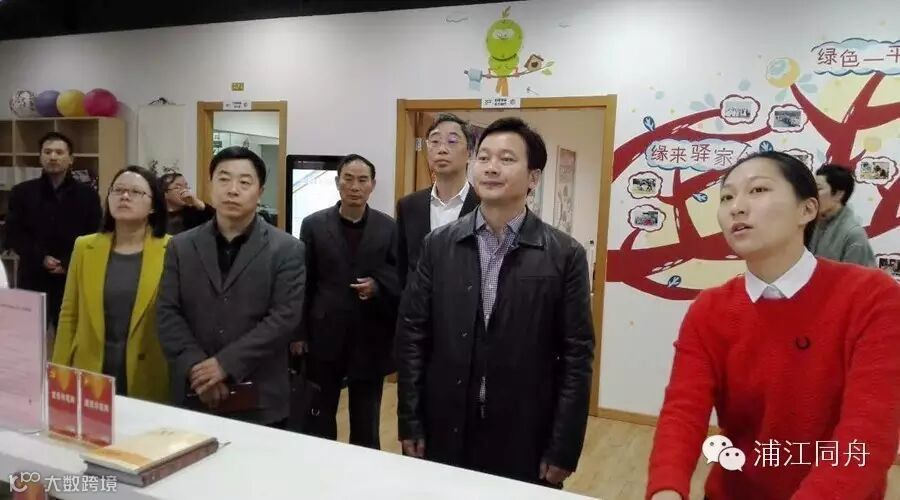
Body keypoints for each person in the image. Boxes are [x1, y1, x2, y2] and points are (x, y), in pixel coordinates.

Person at [647, 151, 900, 500]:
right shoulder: (709, 309)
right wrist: (665, 490)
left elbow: (868, 432)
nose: (737, 207)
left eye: (758, 190)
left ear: (807, 210)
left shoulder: (873, 296)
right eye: (727, 197)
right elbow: (683, 411)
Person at [396, 117, 595, 487]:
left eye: (506, 159)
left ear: (533, 178)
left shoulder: (564, 255)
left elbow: (576, 356)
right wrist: (410, 421)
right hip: (447, 423)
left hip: (525, 431)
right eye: (484, 157)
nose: (490, 167)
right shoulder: (438, 245)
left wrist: (563, 446)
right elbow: (413, 337)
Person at [157, 146, 305, 427]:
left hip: (260, 397)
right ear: (210, 186)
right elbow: (168, 312)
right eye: (223, 179)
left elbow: (284, 318)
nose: (232, 190)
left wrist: (225, 365)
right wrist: (198, 369)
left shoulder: (287, 249)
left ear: (260, 192)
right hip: (193, 392)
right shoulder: (181, 246)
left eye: (244, 182)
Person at [293, 154, 399, 449]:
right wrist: (298, 333)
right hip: (324, 335)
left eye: (362, 180)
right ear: (337, 182)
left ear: (372, 185)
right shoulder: (313, 225)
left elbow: (399, 276)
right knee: (320, 416)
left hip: (370, 336)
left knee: (367, 421)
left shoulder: (389, 227)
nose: (355, 186)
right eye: (348, 179)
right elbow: (304, 281)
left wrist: (378, 286)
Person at [51, 166, 170, 401]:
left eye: (135, 192)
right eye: (118, 190)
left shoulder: (173, 249)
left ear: (154, 205)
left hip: (149, 372)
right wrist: (59, 372)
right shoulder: (85, 247)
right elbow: (69, 314)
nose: (124, 196)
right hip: (91, 369)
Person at [5, 131, 102, 329]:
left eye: (59, 152)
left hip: (72, 275)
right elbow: (14, 233)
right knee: (28, 334)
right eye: (47, 152)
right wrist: (41, 258)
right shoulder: (22, 192)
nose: (53, 157)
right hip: (32, 274)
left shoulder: (87, 195)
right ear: (40, 157)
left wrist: (66, 262)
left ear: (71, 159)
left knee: (68, 334)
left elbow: (94, 234)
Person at [395, 113, 479, 288]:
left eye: (452, 141)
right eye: (435, 141)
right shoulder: (409, 206)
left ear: (469, 153)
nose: (442, 149)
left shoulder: (484, 205)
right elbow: (401, 267)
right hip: (418, 302)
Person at [809, 163, 875, 266]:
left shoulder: (853, 235)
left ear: (838, 194)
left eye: (818, 189)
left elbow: (858, 275)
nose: (812, 194)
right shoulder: (810, 224)